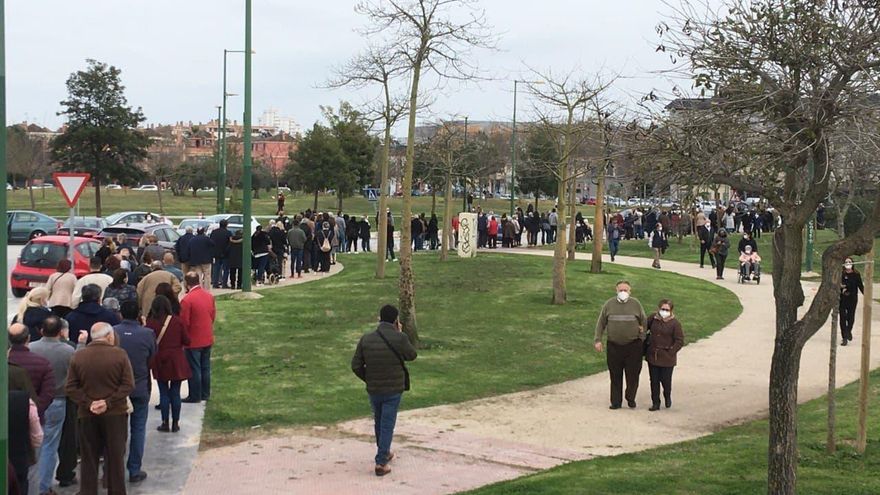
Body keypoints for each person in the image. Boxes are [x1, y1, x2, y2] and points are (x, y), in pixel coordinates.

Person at [65, 322, 134, 495]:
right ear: (110, 336)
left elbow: (71, 388)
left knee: (89, 459)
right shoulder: (119, 355)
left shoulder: (78, 356)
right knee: (115, 458)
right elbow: (128, 384)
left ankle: (88, 491)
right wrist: (108, 402)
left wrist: (89, 403)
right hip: (115, 414)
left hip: (87, 414)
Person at [351, 305, 418, 477]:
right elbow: (412, 355)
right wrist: (401, 333)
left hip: (374, 388)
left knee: (379, 421)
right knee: (387, 423)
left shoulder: (366, 339)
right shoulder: (400, 338)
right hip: (393, 389)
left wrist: (368, 378)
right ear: (396, 320)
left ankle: (385, 451)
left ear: (379, 318)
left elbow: (356, 365)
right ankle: (381, 462)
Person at [29, 315, 75, 494]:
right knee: (50, 444)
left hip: (34, 401)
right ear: (60, 332)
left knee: (35, 443)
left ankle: (33, 483)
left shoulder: (31, 348)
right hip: (58, 400)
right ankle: (43, 485)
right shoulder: (68, 351)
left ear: (41, 330)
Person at [115, 300, 156, 483]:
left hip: (117, 389)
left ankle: (114, 468)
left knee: (117, 431)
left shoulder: (113, 332)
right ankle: (134, 469)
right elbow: (153, 355)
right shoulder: (147, 333)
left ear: (121, 314)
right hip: (139, 385)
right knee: (138, 428)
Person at [594, 281, 647, 410]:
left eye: (626, 290)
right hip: (614, 345)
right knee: (615, 375)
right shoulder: (609, 304)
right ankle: (616, 402)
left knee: (633, 375)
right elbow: (601, 323)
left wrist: (641, 338)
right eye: (621, 290)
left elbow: (644, 322)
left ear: (630, 291)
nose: (623, 292)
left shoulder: (636, 304)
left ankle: (630, 398)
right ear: (616, 290)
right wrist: (598, 340)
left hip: (633, 346)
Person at [146, 296, 190, 433]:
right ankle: (176, 423)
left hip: (160, 359)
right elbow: (187, 340)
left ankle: (165, 422)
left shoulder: (150, 323)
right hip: (176, 358)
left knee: (163, 392)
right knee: (175, 393)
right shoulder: (177, 321)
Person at [181, 272, 216, 403]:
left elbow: (185, 322)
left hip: (193, 340)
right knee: (205, 367)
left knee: (194, 368)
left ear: (186, 283)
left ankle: (195, 395)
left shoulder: (187, 300)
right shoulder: (208, 296)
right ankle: (205, 393)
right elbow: (212, 315)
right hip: (206, 337)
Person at [645, 300, 684, 411]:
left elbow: (679, 341)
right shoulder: (653, 318)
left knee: (666, 381)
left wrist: (671, 352)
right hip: (653, 355)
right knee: (654, 381)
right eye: (662, 309)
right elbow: (644, 327)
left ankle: (667, 396)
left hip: (667, 358)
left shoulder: (675, 324)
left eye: (667, 309)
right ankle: (655, 402)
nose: (664, 311)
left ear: (671, 311)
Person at [839, 257, 865, 346]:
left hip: (852, 299)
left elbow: (860, 286)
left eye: (849, 262)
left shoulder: (856, 274)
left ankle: (848, 331)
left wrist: (866, 294)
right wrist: (841, 287)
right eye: (846, 262)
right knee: (843, 317)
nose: (848, 263)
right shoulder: (841, 274)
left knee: (850, 317)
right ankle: (844, 337)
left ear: (852, 263)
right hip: (842, 299)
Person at [210, 219, 233, 289]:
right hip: (225, 254)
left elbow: (211, 242)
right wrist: (226, 251)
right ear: (226, 225)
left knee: (216, 268)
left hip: (216, 253)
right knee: (226, 269)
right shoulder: (228, 233)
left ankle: (215, 283)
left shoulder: (214, 232)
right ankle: (224, 283)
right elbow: (230, 243)